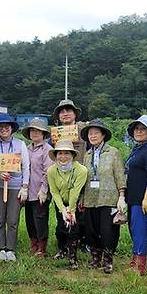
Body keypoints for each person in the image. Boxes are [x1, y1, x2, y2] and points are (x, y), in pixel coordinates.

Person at [80, 119, 127, 273]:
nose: (92, 136)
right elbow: (84, 177)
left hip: (109, 198)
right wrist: (82, 198)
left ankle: (108, 259)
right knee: (91, 230)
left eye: (96, 133)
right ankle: (95, 257)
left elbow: (120, 175)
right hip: (90, 198)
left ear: (103, 135)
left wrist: (122, 196)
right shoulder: (87, 154)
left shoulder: (113, 152)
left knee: (108, 231)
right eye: (90, 133)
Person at [0, 113, 30, 261]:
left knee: (12, 220)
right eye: (1, 127)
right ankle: (1, 248)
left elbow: (26, 166)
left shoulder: (21, 144)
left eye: (7, 126)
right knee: (0, 218)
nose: (4, 129)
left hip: (15, 187)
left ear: (11, 128)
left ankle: (11, 249)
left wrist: (24, 187)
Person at [124, 115, 147, 275]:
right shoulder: (138, 149)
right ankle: (135, 259)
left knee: (139, 230)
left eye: (143, 129)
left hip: (143, 199)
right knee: (133, 229)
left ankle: (140, 266)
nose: (138, 132)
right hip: (133, 198)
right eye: (136, 129)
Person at [52, 99, 88, 254]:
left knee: (80, 215)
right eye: (62, 111)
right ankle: (63, 246)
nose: (65, 114)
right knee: (61, 215)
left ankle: (80, 244)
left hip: (79, 179)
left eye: (68, 111)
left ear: (75, 114)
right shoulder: (55, 133)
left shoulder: (83, 130)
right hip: (60, 180)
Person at [46, 140, 87, 269]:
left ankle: (73, 258)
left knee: (73, 230)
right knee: (61, 229)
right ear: (56, 155)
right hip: (61, 203)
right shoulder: (51, 170)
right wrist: (63, 209)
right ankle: (62, 250)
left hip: (76, 204)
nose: (63, 157)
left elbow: (76, 191)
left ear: (72, 155)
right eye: (60, 153)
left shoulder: (81, 170)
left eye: (67, 153)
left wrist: (71, 211)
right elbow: (54, 191)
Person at [22, 119, 53, 257]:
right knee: (29, 219)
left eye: (37, 131)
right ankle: (33, 243)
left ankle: (42, 246)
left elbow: (48, 171)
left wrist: (44, 189)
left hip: (40, 191)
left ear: (43, 133)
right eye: (32, 131)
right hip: (27, 191)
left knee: (40, 218)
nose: (34, 133)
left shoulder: (48, 150)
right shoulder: (26, 149)